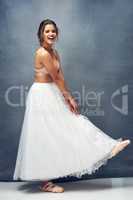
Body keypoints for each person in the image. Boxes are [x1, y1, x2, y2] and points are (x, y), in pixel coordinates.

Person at [13, 19, 131, 193]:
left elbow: (61, 75)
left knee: (70, 124)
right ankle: (47, 182)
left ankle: (106, 147)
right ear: (41, 34)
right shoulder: (42, 54)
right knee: (47, 135)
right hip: (41, 95)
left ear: (57, 33)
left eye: (53, 31)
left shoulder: (54, 52)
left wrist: (67, 97)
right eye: (47, 31)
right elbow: (56, 77)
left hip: (52, 91)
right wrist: (69, 98)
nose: (51, 34)